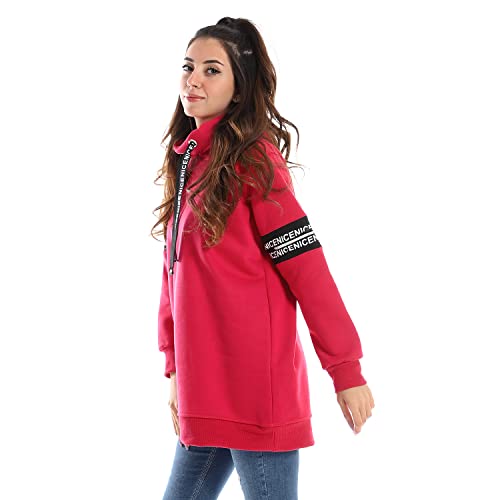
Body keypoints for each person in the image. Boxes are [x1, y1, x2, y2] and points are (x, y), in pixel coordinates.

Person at [151, 16, 375, 500]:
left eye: (212, 70)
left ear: (239, 87)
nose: (193, 79)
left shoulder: (255, 162)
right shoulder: (189, 163)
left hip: (255, 394)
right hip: (205, 390)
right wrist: (175, 369)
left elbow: (306, 268)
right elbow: (173, 273)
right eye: (188, 66)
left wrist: (346, 371)